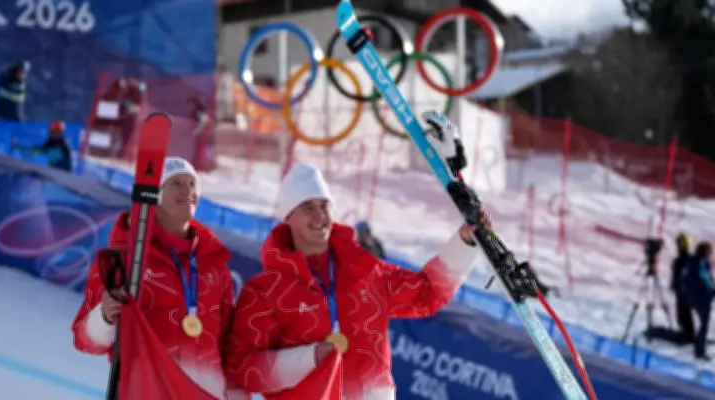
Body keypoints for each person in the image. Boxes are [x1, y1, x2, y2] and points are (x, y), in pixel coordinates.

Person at [226, 116, 490, 399]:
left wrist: (464, 243)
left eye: (324, 206)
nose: (319, 216)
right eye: (307, 208)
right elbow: (242, 367)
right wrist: (308, 358)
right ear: (288, 218)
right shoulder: (265, 290)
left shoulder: (365, 271)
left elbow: (427, 293)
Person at [71, 157, 247, 399]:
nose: (187, 191)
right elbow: (85, 339)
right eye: (175, 184)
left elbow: (230, 345)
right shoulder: (124, 259)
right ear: (154, 197)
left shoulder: (214, 266)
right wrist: (104, 316)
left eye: (192, 184)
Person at [683, 241, 715, 360]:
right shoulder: (701, 262)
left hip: (694, 296)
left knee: (703, 323)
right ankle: (699, 350)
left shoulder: (692, 260)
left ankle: (700, 343)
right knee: (704, 323)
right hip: (701, 296)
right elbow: (705, 278)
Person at [671, 233, 695, 343]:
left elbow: (678, 274)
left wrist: (675, 285)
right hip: (685, 290)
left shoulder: (681, 260)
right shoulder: (687, 259)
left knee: (683, 312)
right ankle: (687, 332)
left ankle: (687, 334)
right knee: (685, 312)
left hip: (683, 291)